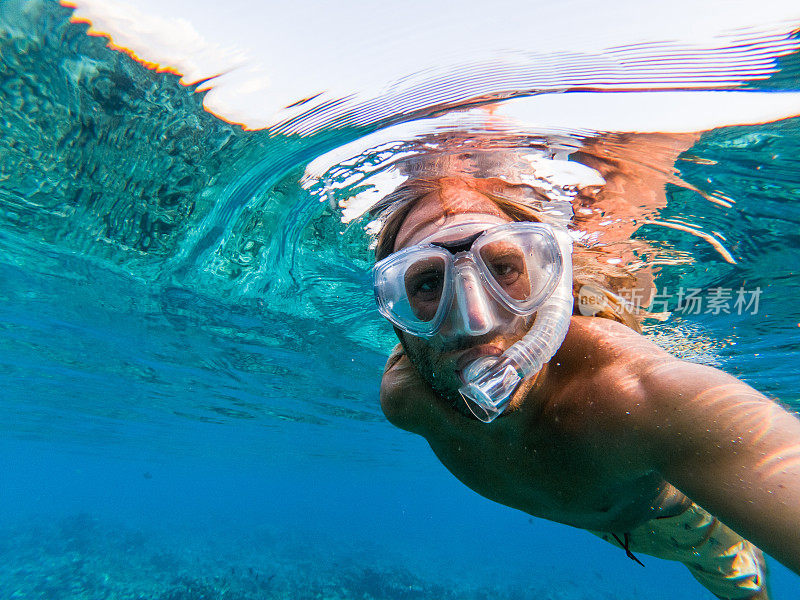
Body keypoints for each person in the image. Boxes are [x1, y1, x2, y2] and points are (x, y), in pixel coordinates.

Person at [371, 161, 800, 599]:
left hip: (690, 523)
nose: (477, 319)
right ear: (396, 314)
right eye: (428, 282)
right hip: (605, 518)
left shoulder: (630, 394)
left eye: (503, 269)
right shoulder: (405, 399)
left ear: (552, 285)